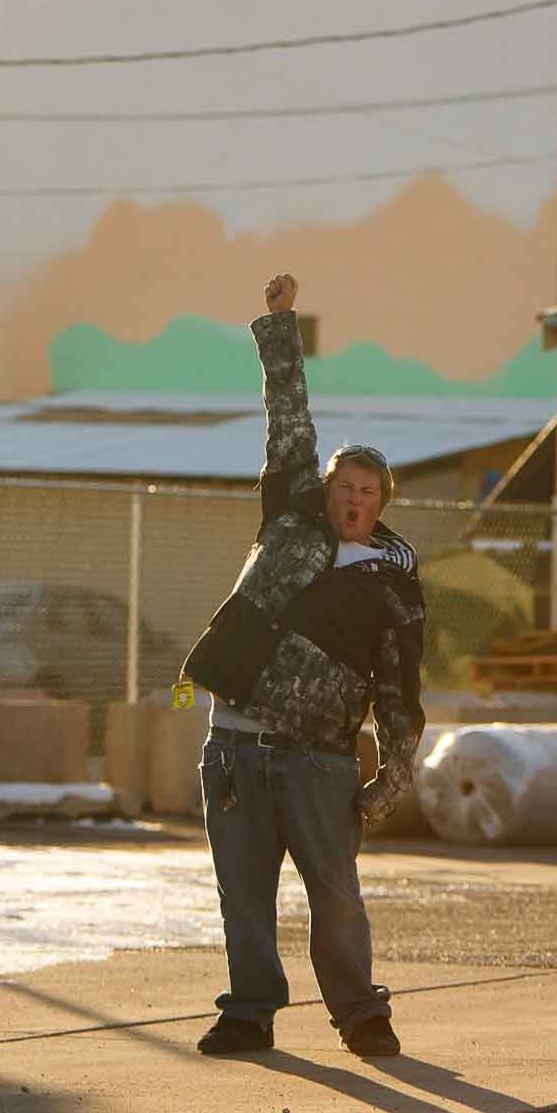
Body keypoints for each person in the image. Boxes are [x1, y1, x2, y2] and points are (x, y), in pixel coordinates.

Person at [181, 273, 426, 1059]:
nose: (352, 497)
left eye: (367, 490)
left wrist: (384, 785)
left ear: (381, 503)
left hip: (320, 760)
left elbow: (399, 693)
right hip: (238, 745)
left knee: (338, 899)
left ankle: (361, 1016)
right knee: (243, 895)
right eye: (343, 485)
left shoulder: (391, 580)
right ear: (325, 490)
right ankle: (248, 1013)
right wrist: (280, 325)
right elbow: (289, 416)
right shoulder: (289, 516)